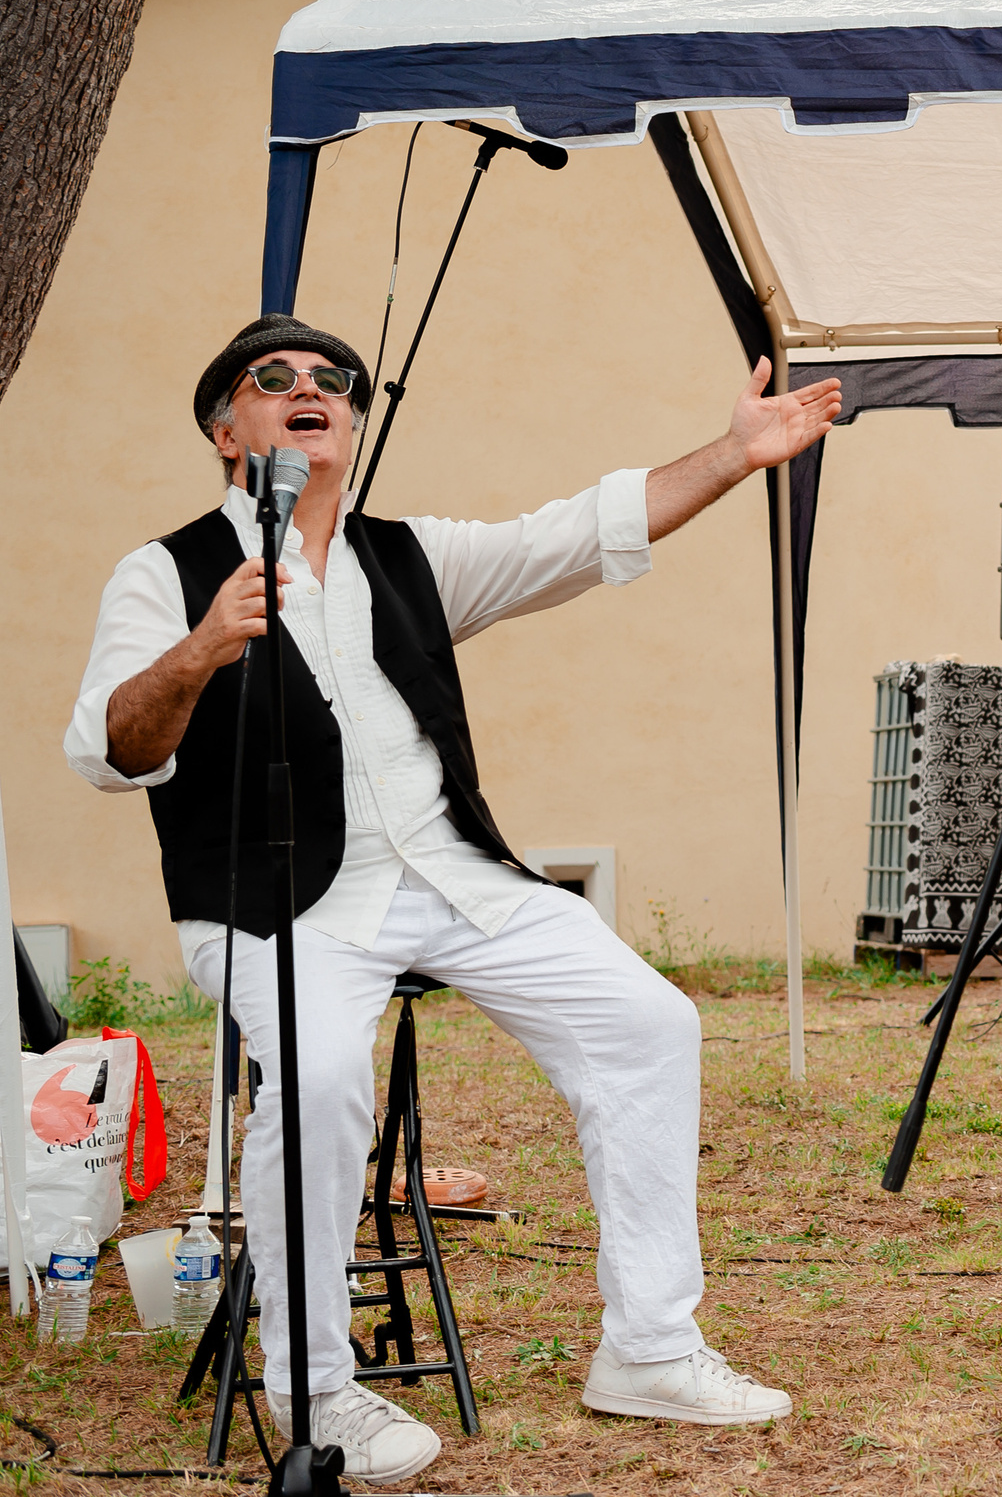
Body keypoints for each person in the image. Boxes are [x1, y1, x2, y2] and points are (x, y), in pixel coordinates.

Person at [65, 316, 839, 1483]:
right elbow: (113, 749)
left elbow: (578, 531)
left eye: (333, 380)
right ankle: (318, 1391)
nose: (308, 389)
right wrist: (201, 647)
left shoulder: (408, 554)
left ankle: (648, 1346)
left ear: (353, 422)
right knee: (319, 1081)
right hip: (278, 906)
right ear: (227, 429)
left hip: (452, 873)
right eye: (271, 380)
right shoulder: (163, 570)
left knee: (648, 1022)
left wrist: (732, 455)